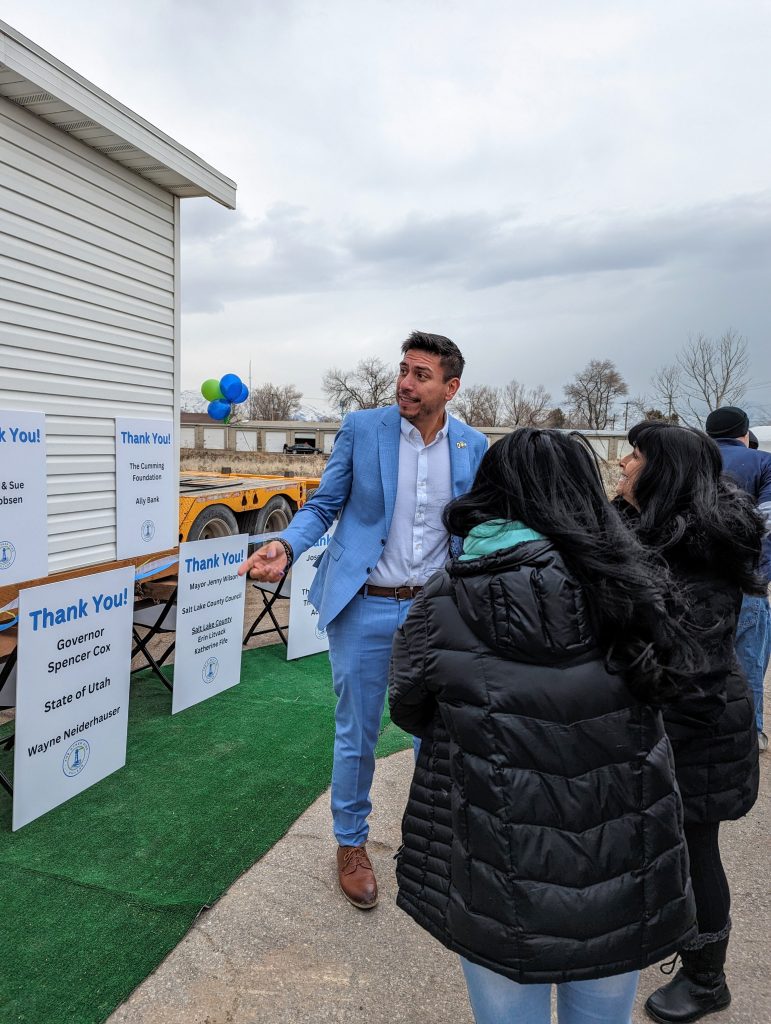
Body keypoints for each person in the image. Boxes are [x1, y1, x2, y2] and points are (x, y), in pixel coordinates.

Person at [389, 428, 699, 1024]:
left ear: (492, 494)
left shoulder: (444, 598)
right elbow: (676, 689)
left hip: (495, 859)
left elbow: (412, 706)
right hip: (623, 855)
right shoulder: (637, 586)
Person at [238, 331, 487, 910]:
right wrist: (288, 546)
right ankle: (351, 844)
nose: (405, 383)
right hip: (366, 603)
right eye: (403, 370)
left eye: (421, 375)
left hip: (437, 611)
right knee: (359, 731)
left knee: (439, 731)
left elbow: (476, 528)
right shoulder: (362, 428)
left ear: (450, 387)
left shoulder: (472, 446)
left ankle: (431, 840)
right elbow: (325, 505)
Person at [616, 421, 763, 1024]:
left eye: (635, 455)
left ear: (664, 472)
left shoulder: (699, 548)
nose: (623, 462)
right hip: (670, 718)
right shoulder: (648, 527)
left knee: (695, 845)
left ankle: (708, 978)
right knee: (665, 841)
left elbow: (689, 667)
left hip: (698, 724)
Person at [705, 406, 771, 752]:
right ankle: (749, 732)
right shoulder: (764, 464)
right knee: (748, 659)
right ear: (744, 433)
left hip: (693, 577)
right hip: (748, 579)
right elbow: (768, 525)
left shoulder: (691, 459)